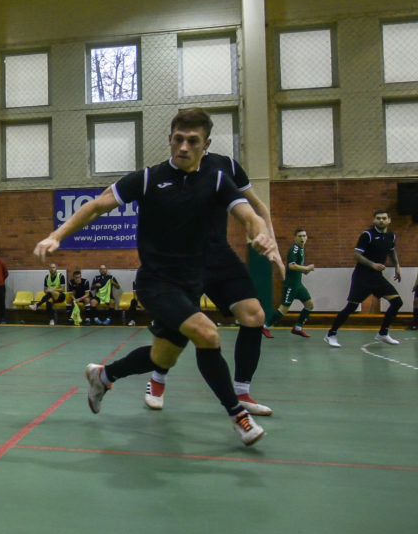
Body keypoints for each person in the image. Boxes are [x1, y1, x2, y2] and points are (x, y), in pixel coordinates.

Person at [34, 108, 283, 447]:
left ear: (206, 144)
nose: (183, 147)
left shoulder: (217, 180)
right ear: (169, 139)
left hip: (191, 283)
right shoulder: (149, 178)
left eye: (192, 141)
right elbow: (97, 205)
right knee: (207, 333)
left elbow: (248, 214)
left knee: (161, 356)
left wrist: (261, 233)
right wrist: (56, 236)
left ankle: (103, 375)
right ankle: (238, 414)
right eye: (178, 139)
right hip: (156, 282)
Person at [141, 147, 277, 415]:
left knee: (254, 315)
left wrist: (270, 239)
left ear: (207, 139)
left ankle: (242, 392)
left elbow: (256, 206)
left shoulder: (227, 166)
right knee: (175, 332)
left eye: (196, 137)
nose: (188, 144)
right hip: (184, 260)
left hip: (219, 255)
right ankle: (157, 381)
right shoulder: (169, 172)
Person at [324, 209, 402, 348]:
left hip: (377, 277)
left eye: (384, 218)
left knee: (397, 302)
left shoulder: (391, 236)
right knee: (351, 307)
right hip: (362, 276)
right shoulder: (367, 235)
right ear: (374, 220)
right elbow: (356, 255)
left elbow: (392, 250)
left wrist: (397, 265)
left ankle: (383, 333)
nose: (381, 220)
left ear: (389, 220)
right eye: (378, 218)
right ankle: (331, 334)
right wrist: (372, 265)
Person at [267, 228, 315, 337]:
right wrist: (306, 267)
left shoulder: (302, 249)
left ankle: (298, 328)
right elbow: (291, 266)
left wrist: (305, 271)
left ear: (307, 237)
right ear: (295, 238)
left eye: (304, 236)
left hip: (298, 285)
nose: (302, 238)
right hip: (291, 285)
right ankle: (266, 326)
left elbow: (296, 267)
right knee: (284, 308)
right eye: (300, 236)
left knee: (309, 305)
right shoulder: (295, 249)